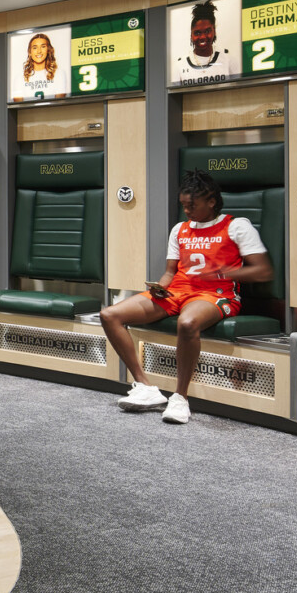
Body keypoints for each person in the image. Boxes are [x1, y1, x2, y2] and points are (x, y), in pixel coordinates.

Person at [100, 169, 272, 424]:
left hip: (215, 294)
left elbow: (263, 270)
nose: (187, 211)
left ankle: (180, 398)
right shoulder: (180, 229)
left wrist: (222, 273)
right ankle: (145, 387)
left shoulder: (236, 226)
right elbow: (170, 271)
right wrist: (161, 287)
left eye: (192, 205)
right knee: (109, 314)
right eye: (184, 206)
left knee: (187, 323)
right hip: (177, 291)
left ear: (211, 201)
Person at [178, 0, 233, 83]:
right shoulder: (180, 65)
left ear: (214, 31)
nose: (203, 37)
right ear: (191, 35)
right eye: (197, 33)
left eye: (207, 31)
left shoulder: (228, 59)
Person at [19, 33, 61, 99]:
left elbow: (60, 102)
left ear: (48, 50)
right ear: (30, 52)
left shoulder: (59, 74)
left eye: (43, 46)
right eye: (35, 48)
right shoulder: (20, 78)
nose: (39, 51)